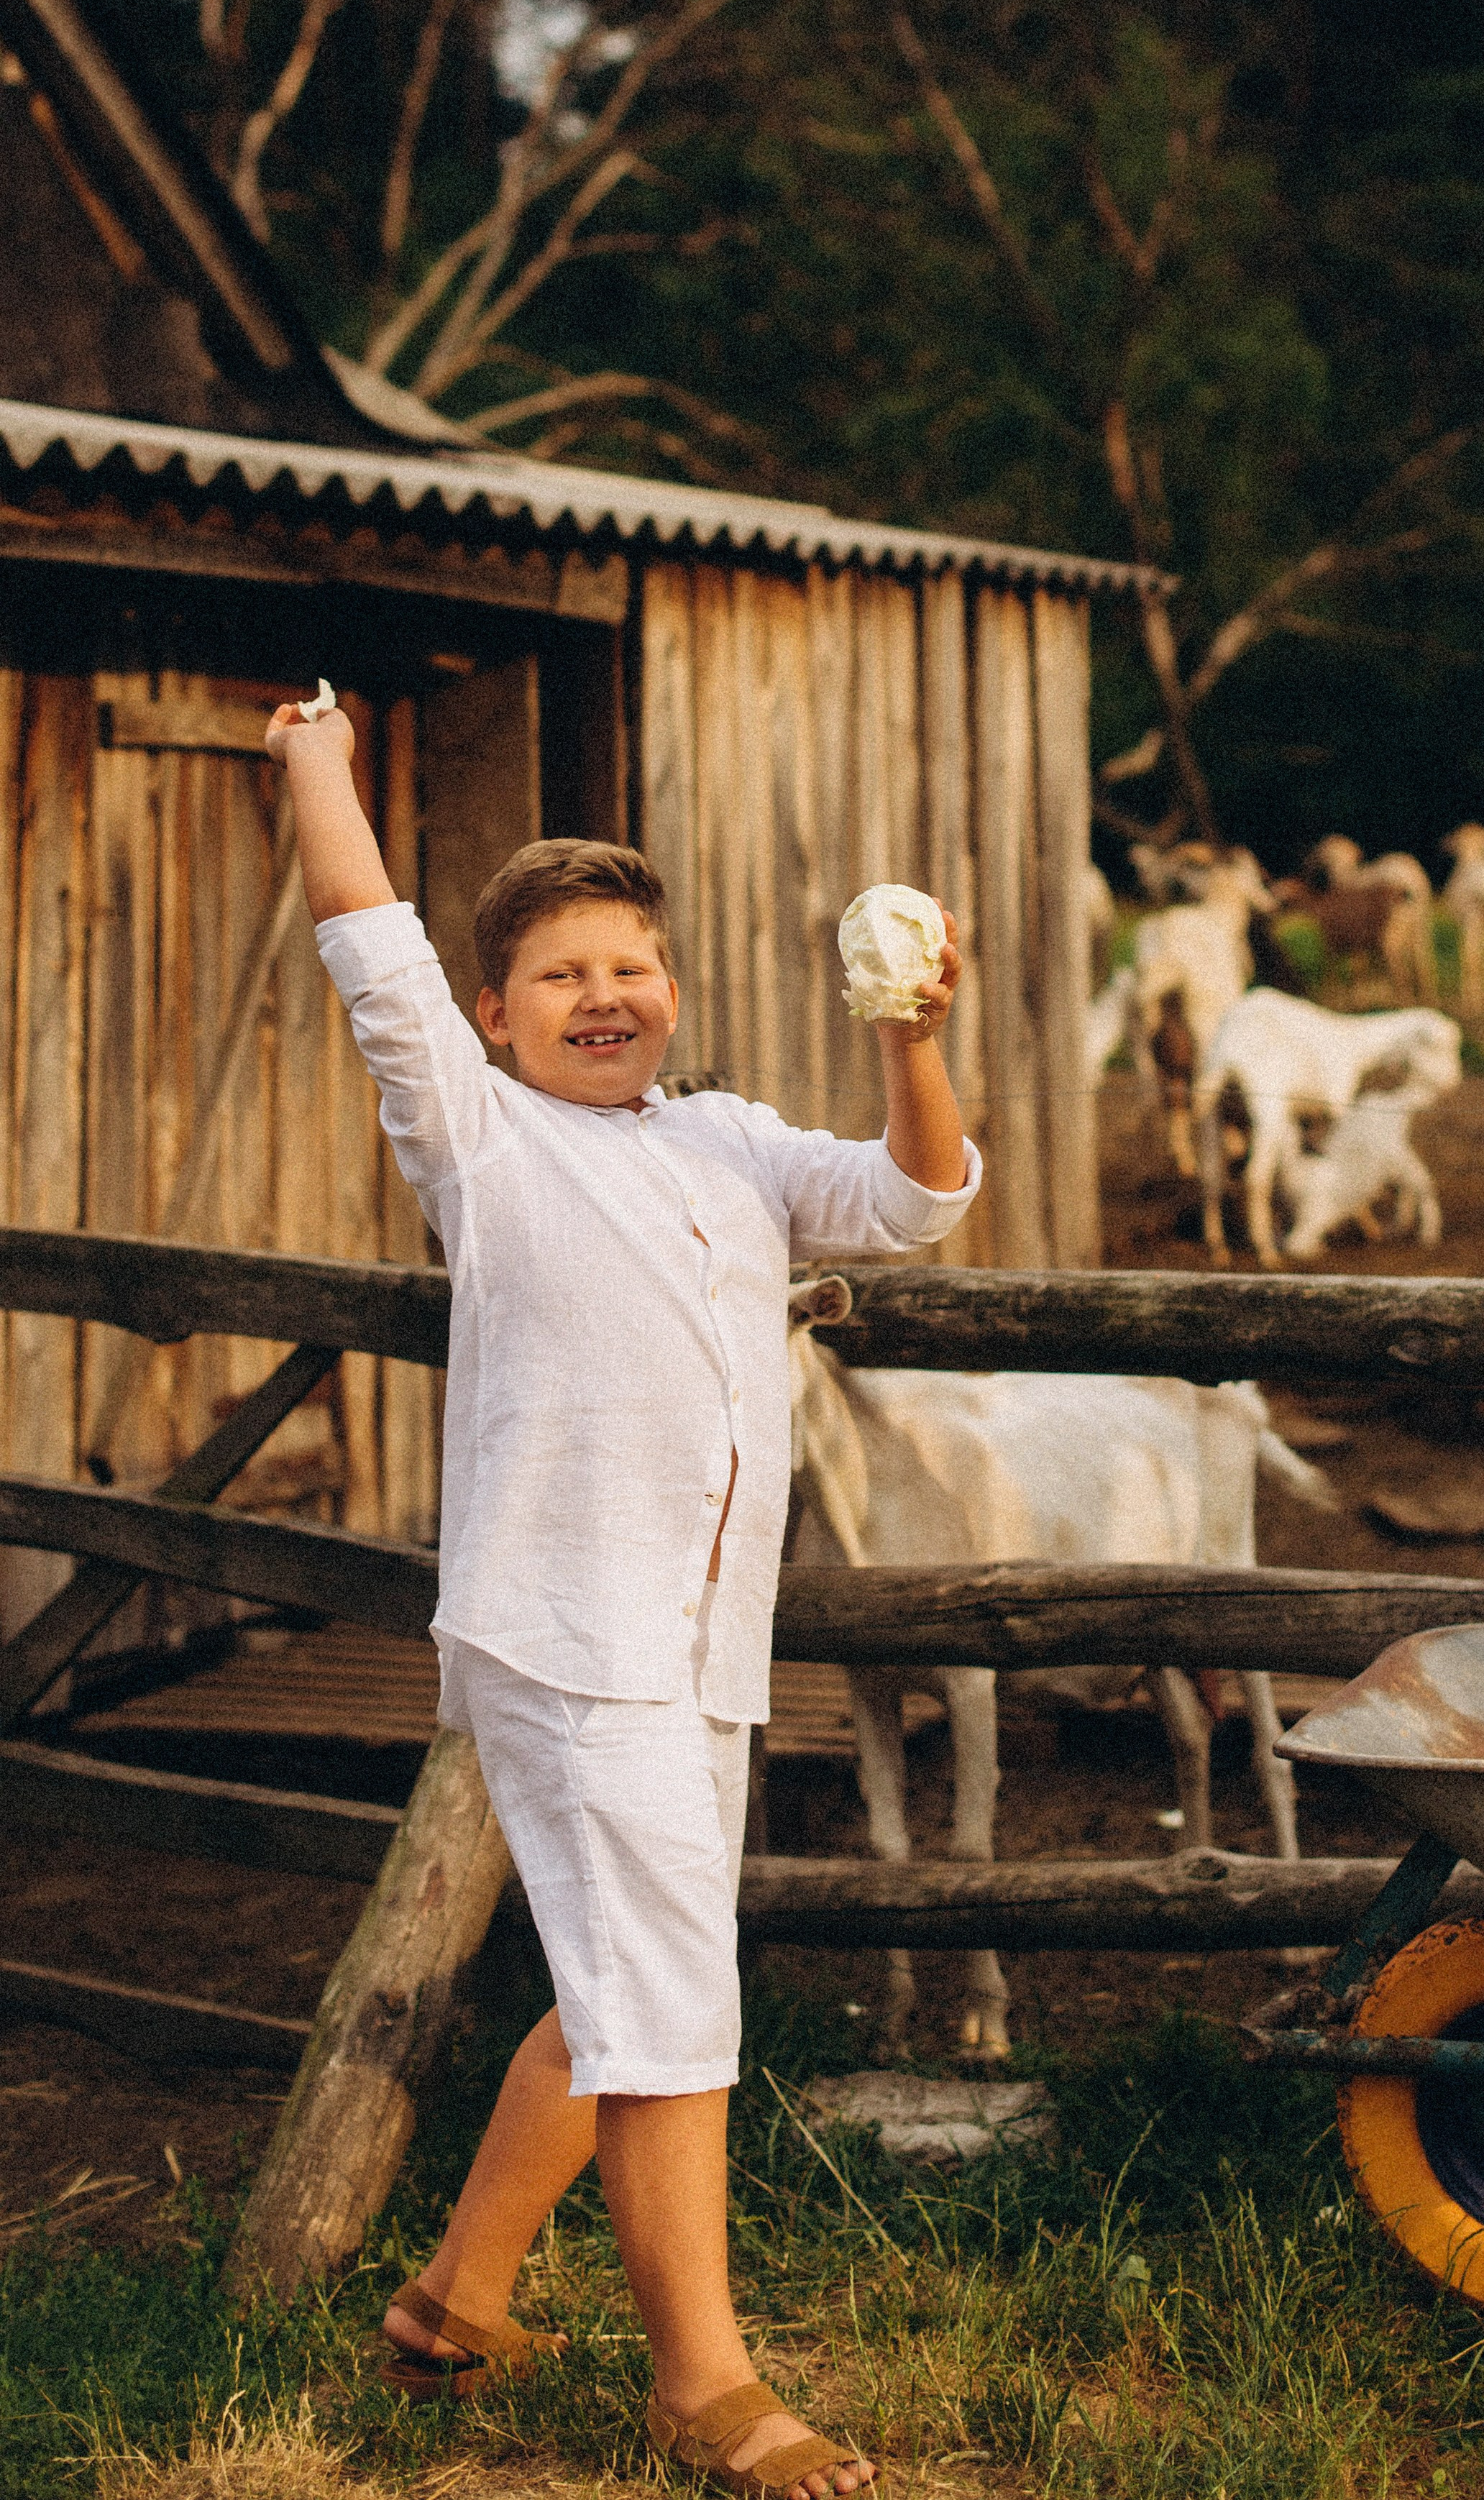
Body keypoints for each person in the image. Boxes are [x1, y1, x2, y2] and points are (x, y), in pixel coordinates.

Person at [266, 695, 980, 2500]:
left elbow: (908, 1203)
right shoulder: (483, 1146)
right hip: (571, 1632)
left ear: (672, 990)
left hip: (698, 1634)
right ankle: (707, 2386)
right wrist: (317, 771)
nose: (605, 991)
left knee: (635, 1981)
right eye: (562, 971)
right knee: (667, 1997)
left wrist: (914, 1037)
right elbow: (372, 948)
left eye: (634, 964)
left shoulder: (728, 1143)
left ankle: (456, 2295)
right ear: (494, 1017)